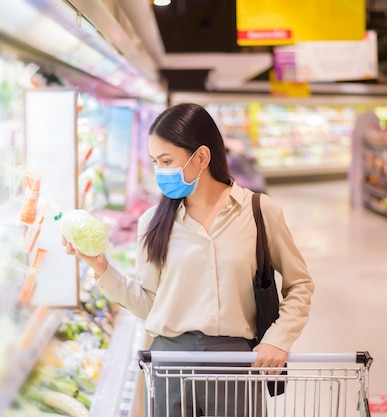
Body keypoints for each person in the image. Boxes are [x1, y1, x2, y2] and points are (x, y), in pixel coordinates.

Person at [62, 103, 314, 417]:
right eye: (155, 161)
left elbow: (300, 284)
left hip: (234, 362)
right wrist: (100, 265)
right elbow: (150, 304)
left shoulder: (259, 212)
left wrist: (279, 339)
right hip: (169, 362)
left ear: (202, 157)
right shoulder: (153, 222)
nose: (159, 172)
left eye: (167, 161)